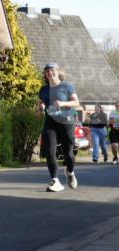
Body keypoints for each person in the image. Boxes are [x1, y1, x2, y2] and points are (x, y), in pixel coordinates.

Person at [37, 62, 80, 192]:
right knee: (50, 152)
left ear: (57, 71)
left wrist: (62, 103)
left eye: (52, 70)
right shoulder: (43, 89)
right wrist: (40, 108)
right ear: (45, 74)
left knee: (68, 154)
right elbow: (40, 104)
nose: (49, 73)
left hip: (66, 122)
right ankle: (55, 181)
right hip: (50, 123)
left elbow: (76, 103)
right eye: (47, 71)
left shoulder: (66, 86)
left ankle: (70, 172)